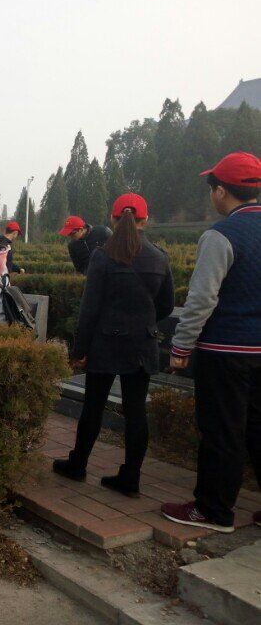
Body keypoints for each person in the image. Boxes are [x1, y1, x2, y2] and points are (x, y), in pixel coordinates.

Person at [162, 152, 261, 533]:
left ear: (221, 191)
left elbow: (202, 299)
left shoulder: (221, 235)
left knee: (223, 431)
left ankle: (214, 510)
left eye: (212, 188)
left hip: (226, 352)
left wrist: (181, 347)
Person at [53, 194, 174, 497]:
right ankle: (131, 478)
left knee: (93, 405)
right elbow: (167, 305)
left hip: (105, 342)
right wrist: (144, 322)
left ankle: (77, 465)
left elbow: (89, 308)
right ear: (146, 219)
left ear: (113, 219)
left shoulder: (103, 256)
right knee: (136, 411)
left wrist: (79, 350)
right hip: (142, 343)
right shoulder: (159, 257)